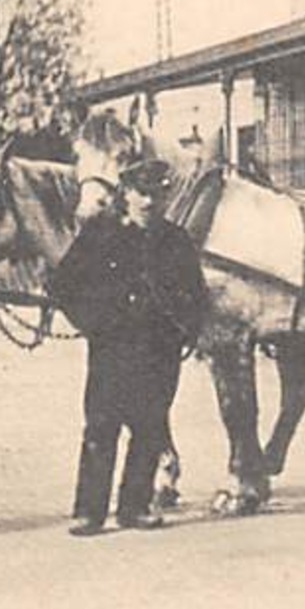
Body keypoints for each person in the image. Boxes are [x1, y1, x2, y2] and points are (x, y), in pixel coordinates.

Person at [48, 159, 208, 535]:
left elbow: (197, 296)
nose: (150, 202)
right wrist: (95, 324)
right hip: (112, 348)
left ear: (167, 196)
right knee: (101, 427)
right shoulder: (100, 235)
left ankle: (134, 508)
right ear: (127, 194)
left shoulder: (176, 241)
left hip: (159, 351)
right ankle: (89, 512)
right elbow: (62, 286)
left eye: (157, 194)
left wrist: (184, 333)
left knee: (150, 427)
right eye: (142, 193)